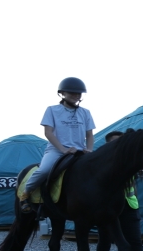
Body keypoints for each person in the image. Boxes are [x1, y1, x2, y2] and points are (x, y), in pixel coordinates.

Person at [19, 77, 95, 213]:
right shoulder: (52, 110)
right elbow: (48, 133)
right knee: (44, 170)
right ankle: (25, 194)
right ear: (62, 93)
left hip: (79, 151)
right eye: (72, 93)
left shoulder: (85, 112)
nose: (76, 96)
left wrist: (89, 149)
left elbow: (89, 135)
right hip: (56, 150)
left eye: (78, 93)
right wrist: (63, 150)